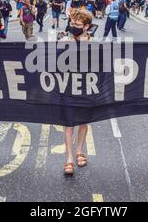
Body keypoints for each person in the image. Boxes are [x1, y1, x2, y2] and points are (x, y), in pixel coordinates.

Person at [60, 9, 94, 175]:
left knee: (83, 121)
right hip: (67, 85)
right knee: (68, 123)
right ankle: (69, 158)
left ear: (86, 26)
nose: (73, 27)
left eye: (78, 25)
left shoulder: (94, 42)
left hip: (86, 85)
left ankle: (79, 150)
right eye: (72, 23)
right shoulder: (64, 39)